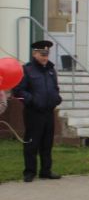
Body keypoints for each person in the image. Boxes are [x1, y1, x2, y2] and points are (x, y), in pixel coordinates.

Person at [13, 40, 62, 182]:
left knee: (47, 143)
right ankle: (29, 171)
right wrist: (32, 100)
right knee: (32, 143)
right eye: (42, 54)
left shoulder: (51, 70)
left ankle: (46, 170)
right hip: (33, 112)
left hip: (48, 111)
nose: (45, 58)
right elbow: (18, 91)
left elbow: (55, 88)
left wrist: (56, 98)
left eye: (46, 55)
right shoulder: (27, 70)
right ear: (34, 53)